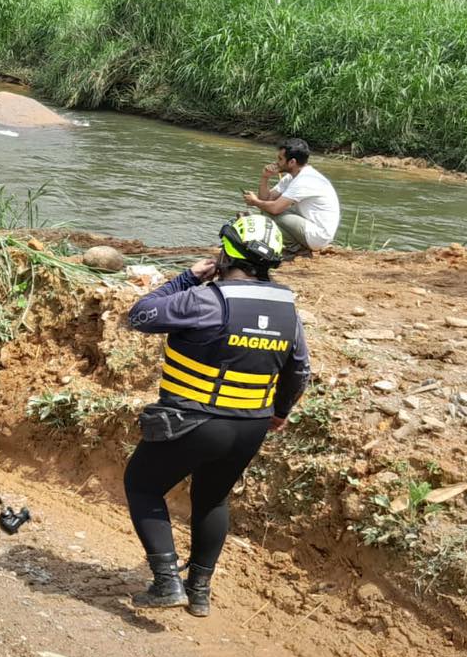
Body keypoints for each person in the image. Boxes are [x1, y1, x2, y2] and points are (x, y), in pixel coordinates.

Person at [122, 214, 311, 616]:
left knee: (142, 485)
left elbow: (140, 314)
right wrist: (280, 412)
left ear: (225, 255)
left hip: (194, 420)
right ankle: (200, 591)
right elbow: (299, 370)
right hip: (251, 425)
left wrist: (186, 278)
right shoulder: (287, 311)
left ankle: (167, 582)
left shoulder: (206, 298)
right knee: (212, 499)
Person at [243, 139, 340, 257]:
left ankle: (295, 247)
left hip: (318, 235)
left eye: (280, 159)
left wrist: (255, 202)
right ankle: (296, 245)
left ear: (292, 162)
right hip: (309, 227)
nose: (276, 162)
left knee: (268, 211)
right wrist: (265, 178)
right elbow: (267, 199)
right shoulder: (292, 177)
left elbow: (275, 208)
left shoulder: (305, 179)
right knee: (266, 208)